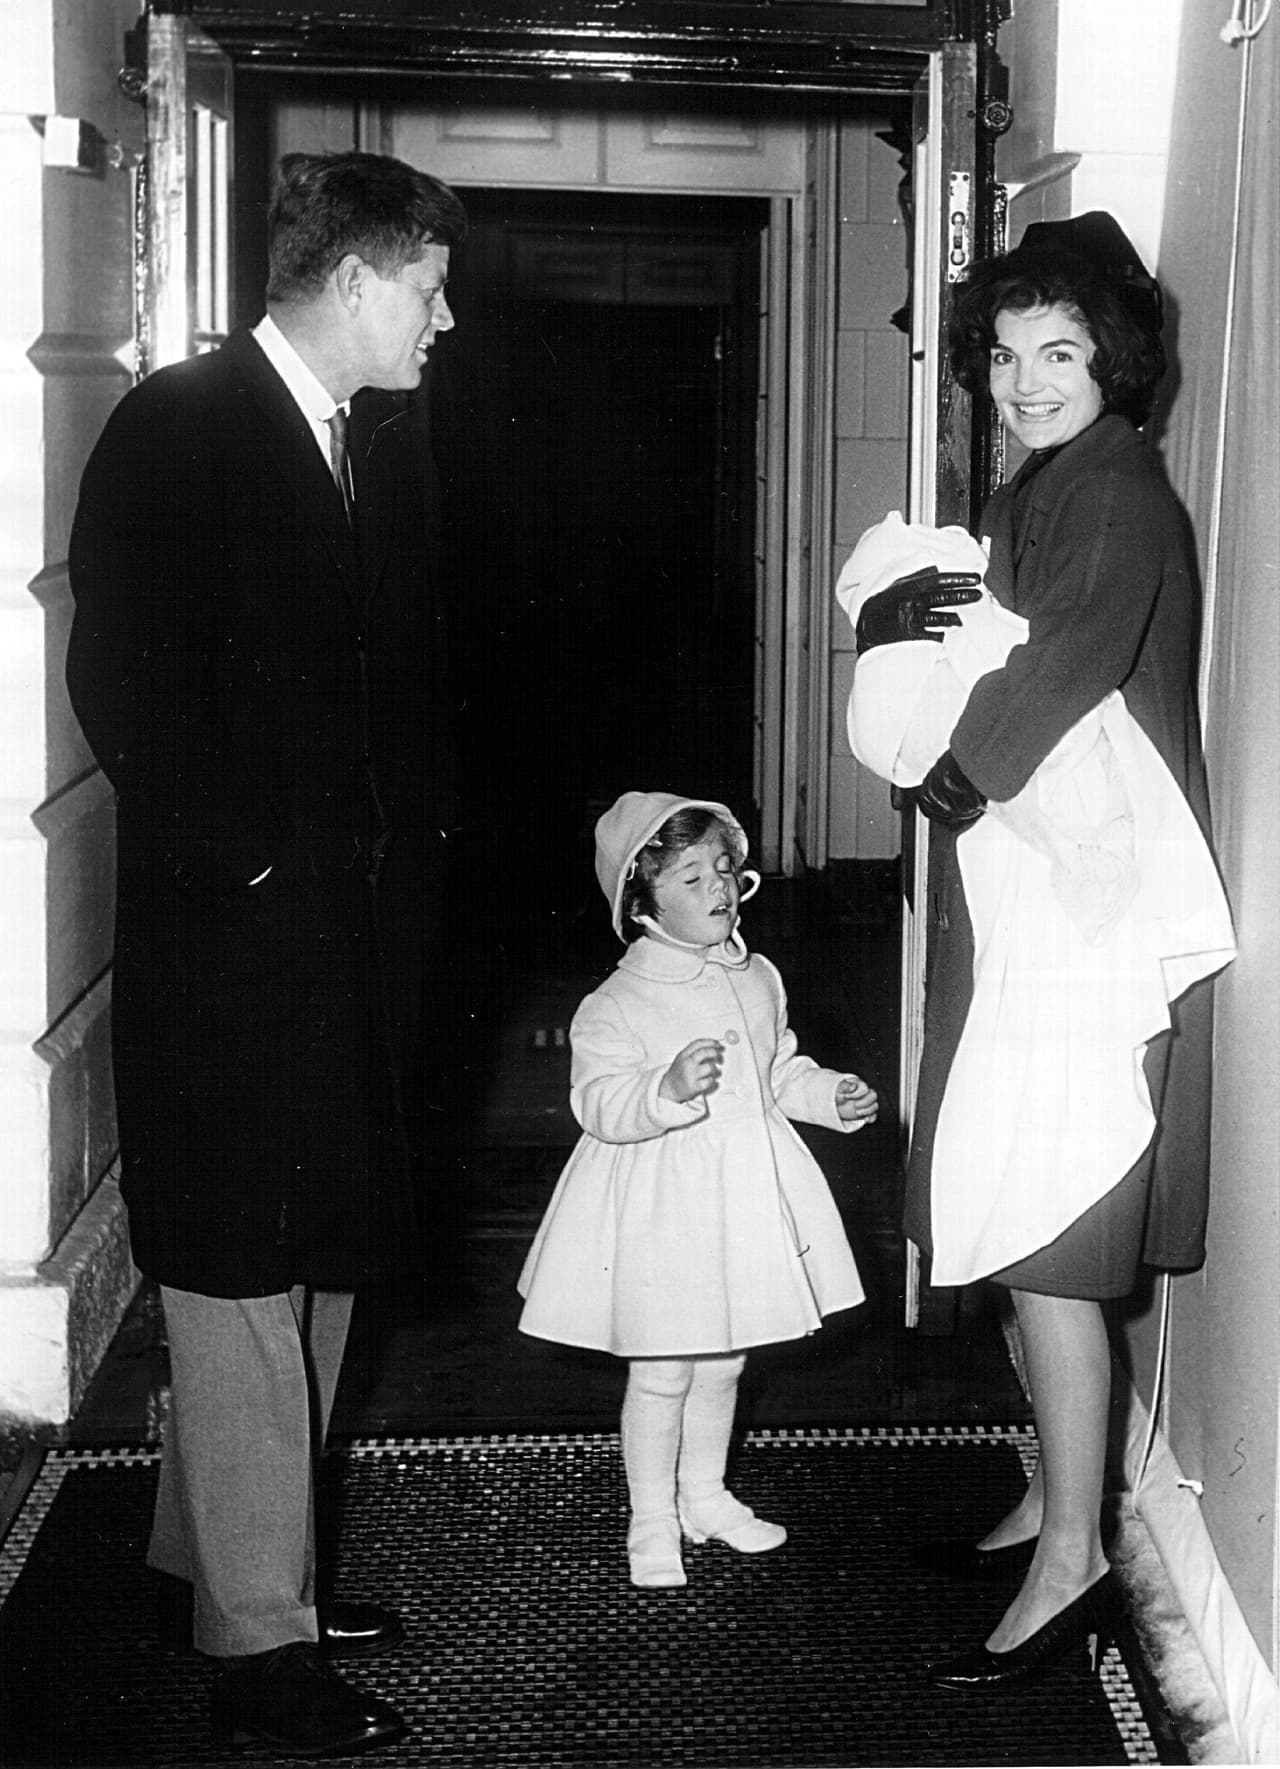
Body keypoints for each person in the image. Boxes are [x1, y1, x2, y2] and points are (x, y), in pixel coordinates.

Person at [65, 151, 468, 1757]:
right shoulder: (179, 424)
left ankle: (224, 1566)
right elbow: (123, 677)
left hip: (344, 942)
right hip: (235, 947)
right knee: (238, 1275)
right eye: (429, 289)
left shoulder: (364, 441)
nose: (444, 320)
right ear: (356, 283)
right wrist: (249, 865)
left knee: (318, 1254)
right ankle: (260, 1645)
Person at [853, 213, 1234, 1690]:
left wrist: (950, 772)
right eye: (1005, 355)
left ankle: (1074, 1555)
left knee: (1055, 1246)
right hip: (1039, 896)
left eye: (1059, 353)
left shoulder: (1115, 490)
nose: (1024, 382)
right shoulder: (1039, 485)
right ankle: (1055, 1493)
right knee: (1019, 1221)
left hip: (1090, 922)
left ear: (1112, 362)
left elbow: (1063, 656)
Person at [516, 791, 879, 1589]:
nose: (718, 887)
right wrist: (665, 1088)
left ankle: (705, 1495)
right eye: (691, 877)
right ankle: (650, 1516)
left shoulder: (757, 976)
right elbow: (598, 1102)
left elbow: (777, 1068)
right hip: (662, 1210)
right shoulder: (616, 1000)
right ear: (640, 902)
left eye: (724, 869)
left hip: (742, 1197)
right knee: (663, 1368)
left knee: (724, 1361)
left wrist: (830, 1096)